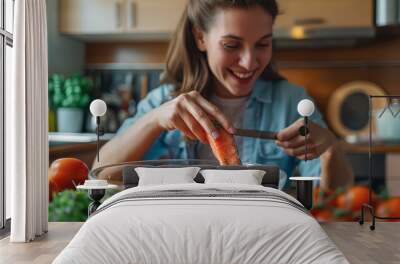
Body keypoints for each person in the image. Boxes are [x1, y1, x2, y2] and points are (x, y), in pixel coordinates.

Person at [93, 0, 353, 190]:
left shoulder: (291, 102)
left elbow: (336, 195)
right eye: (232, 45)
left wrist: (330, 148)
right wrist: (154, 120)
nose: (249, 62)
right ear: (200, 38)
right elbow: (102, 174)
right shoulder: (163, 102)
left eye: (263, 44)